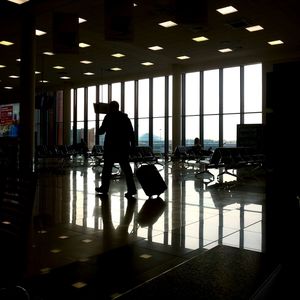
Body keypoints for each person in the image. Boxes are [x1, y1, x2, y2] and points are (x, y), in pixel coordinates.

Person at [95, 101, 137, 198]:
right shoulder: (125, 118)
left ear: (110, 108)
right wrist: (133, 147)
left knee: (107, 169)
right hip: (123, 147)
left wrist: (97, 130)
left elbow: (101, 131)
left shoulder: (108, 117)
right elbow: (131, 133)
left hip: (111, 147)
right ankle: (132, 189)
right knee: (127, 169)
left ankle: (104, 188)